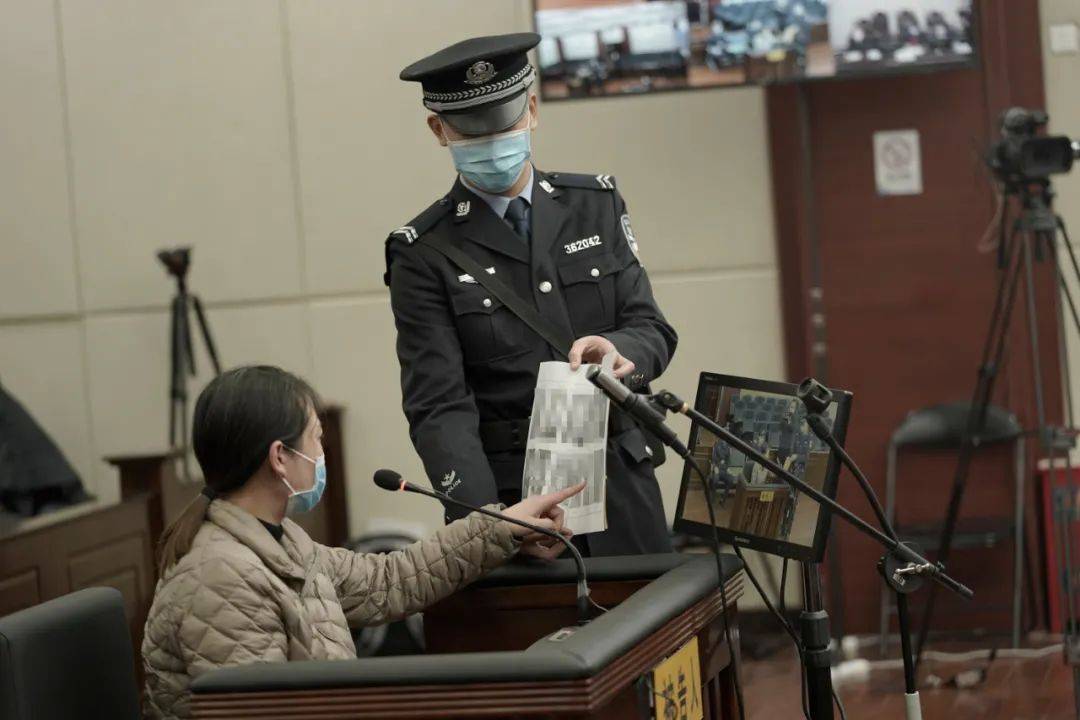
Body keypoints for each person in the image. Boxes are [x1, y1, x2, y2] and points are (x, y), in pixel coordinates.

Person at [141, 365, 581, 719]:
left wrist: (502, 526)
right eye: (316, 438)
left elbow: (387, 580)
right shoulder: (220, 576)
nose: (321, 453)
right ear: (280, 457)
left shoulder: (282, 541)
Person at [385, 33, 678, 557]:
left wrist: (620, 352)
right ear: (439, 130)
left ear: (533, 111)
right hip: (517, 504)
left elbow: (651, 328)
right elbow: (439, 406)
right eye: (472, 128)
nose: (493, 140)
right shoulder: (424, 252)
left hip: (622, 488)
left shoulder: (595, 205)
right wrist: (490, 526)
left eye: (504, 122)